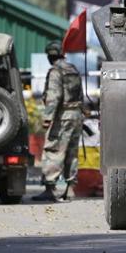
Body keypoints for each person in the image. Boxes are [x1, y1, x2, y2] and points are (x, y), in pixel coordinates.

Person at [32, 41, 84, 202]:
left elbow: (54, 97)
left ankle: (50, 188)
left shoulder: (56, 71)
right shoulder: (72, 69)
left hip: (62, 117)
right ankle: (70, 190)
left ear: (50, 55)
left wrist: (48, 118)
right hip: (76, 115)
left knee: (53, 150)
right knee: (71, 152)